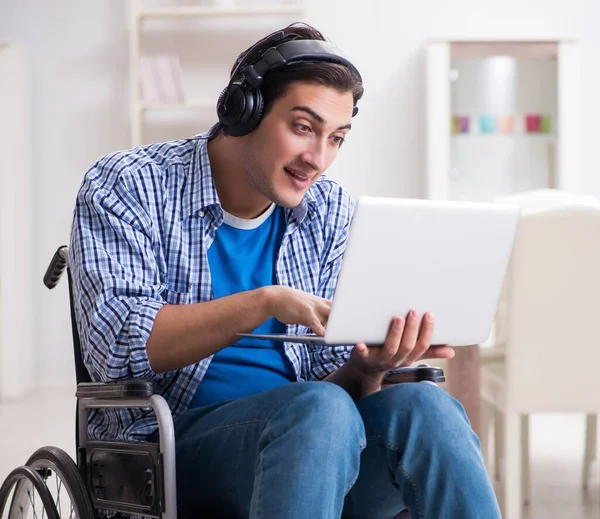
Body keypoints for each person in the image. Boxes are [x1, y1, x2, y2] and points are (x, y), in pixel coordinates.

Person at [69, 22, 500, 519]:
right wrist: (263, 302)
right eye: (302, 127)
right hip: (169, 452)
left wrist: (369, 366)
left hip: (317, 452)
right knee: (317, 409)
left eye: (336, 138)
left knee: (429, 408)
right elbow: (117, 348)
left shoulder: (330, 212)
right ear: (243, 110)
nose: (318, 159)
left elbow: (334, 386)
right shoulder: (128, 185)